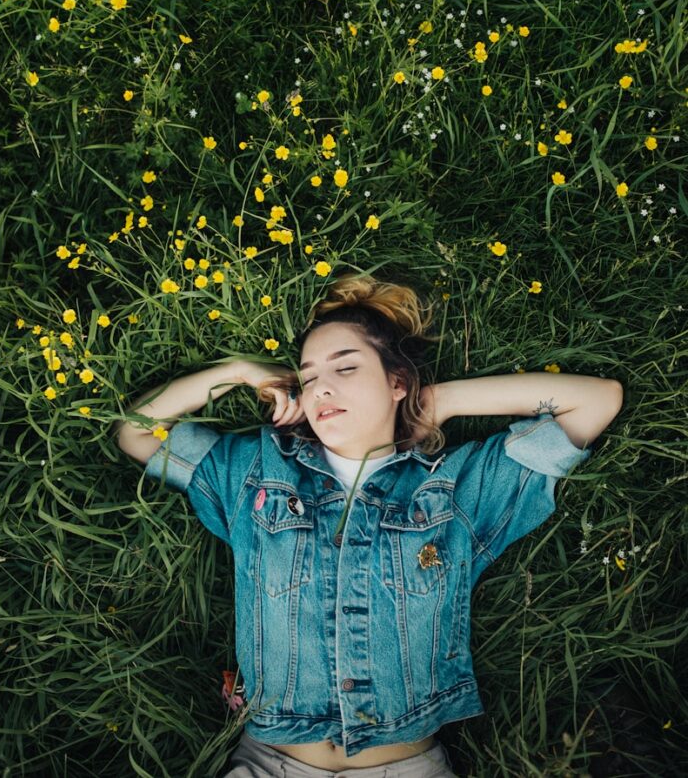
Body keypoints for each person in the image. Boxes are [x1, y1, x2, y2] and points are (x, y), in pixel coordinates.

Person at [115, 272, 623, 777]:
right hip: (273, 762)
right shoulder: (255, 472)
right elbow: (135, 432)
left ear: (397, 382)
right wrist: (243, 371)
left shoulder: (455, 488)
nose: (322, 388)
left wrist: (440, 401)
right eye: (308, 376)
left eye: (346, 368)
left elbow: (598, 400)